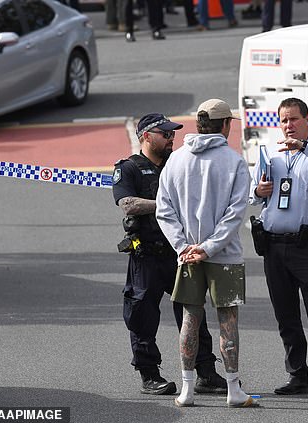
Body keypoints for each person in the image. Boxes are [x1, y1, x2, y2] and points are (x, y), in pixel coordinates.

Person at [113, 113, 227, 396]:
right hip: (147, 254)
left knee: (192, 312)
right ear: (146, 136)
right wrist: (166, 204)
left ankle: (205, 372)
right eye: (164, 134)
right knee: (142, 315)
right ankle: (149, 375)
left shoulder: (177, 163)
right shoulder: (129, 168)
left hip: (179, 251)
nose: (171, 138)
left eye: (172, 134)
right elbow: (127, 203)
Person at [156, 99, 257, 408]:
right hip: (223, 255)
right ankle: (233, 390)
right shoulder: (234, 161)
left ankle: (186, 390)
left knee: (190, 318)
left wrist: (184, 247)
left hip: (186, 254)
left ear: (198, 124)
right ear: (225, 125)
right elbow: (235, 213)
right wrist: (209, 248)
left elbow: (164, 209)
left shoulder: (176, 160)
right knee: (228, 320)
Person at [250, 97, 308, 398]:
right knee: (285, 314)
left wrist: (303, 147)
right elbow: (254, 195)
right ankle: (297, 375)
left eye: (293, 119)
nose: (288, 125)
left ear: (306, 120)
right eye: (283, 120)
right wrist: (258, 190)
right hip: (275, 246)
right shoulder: (270, 155)